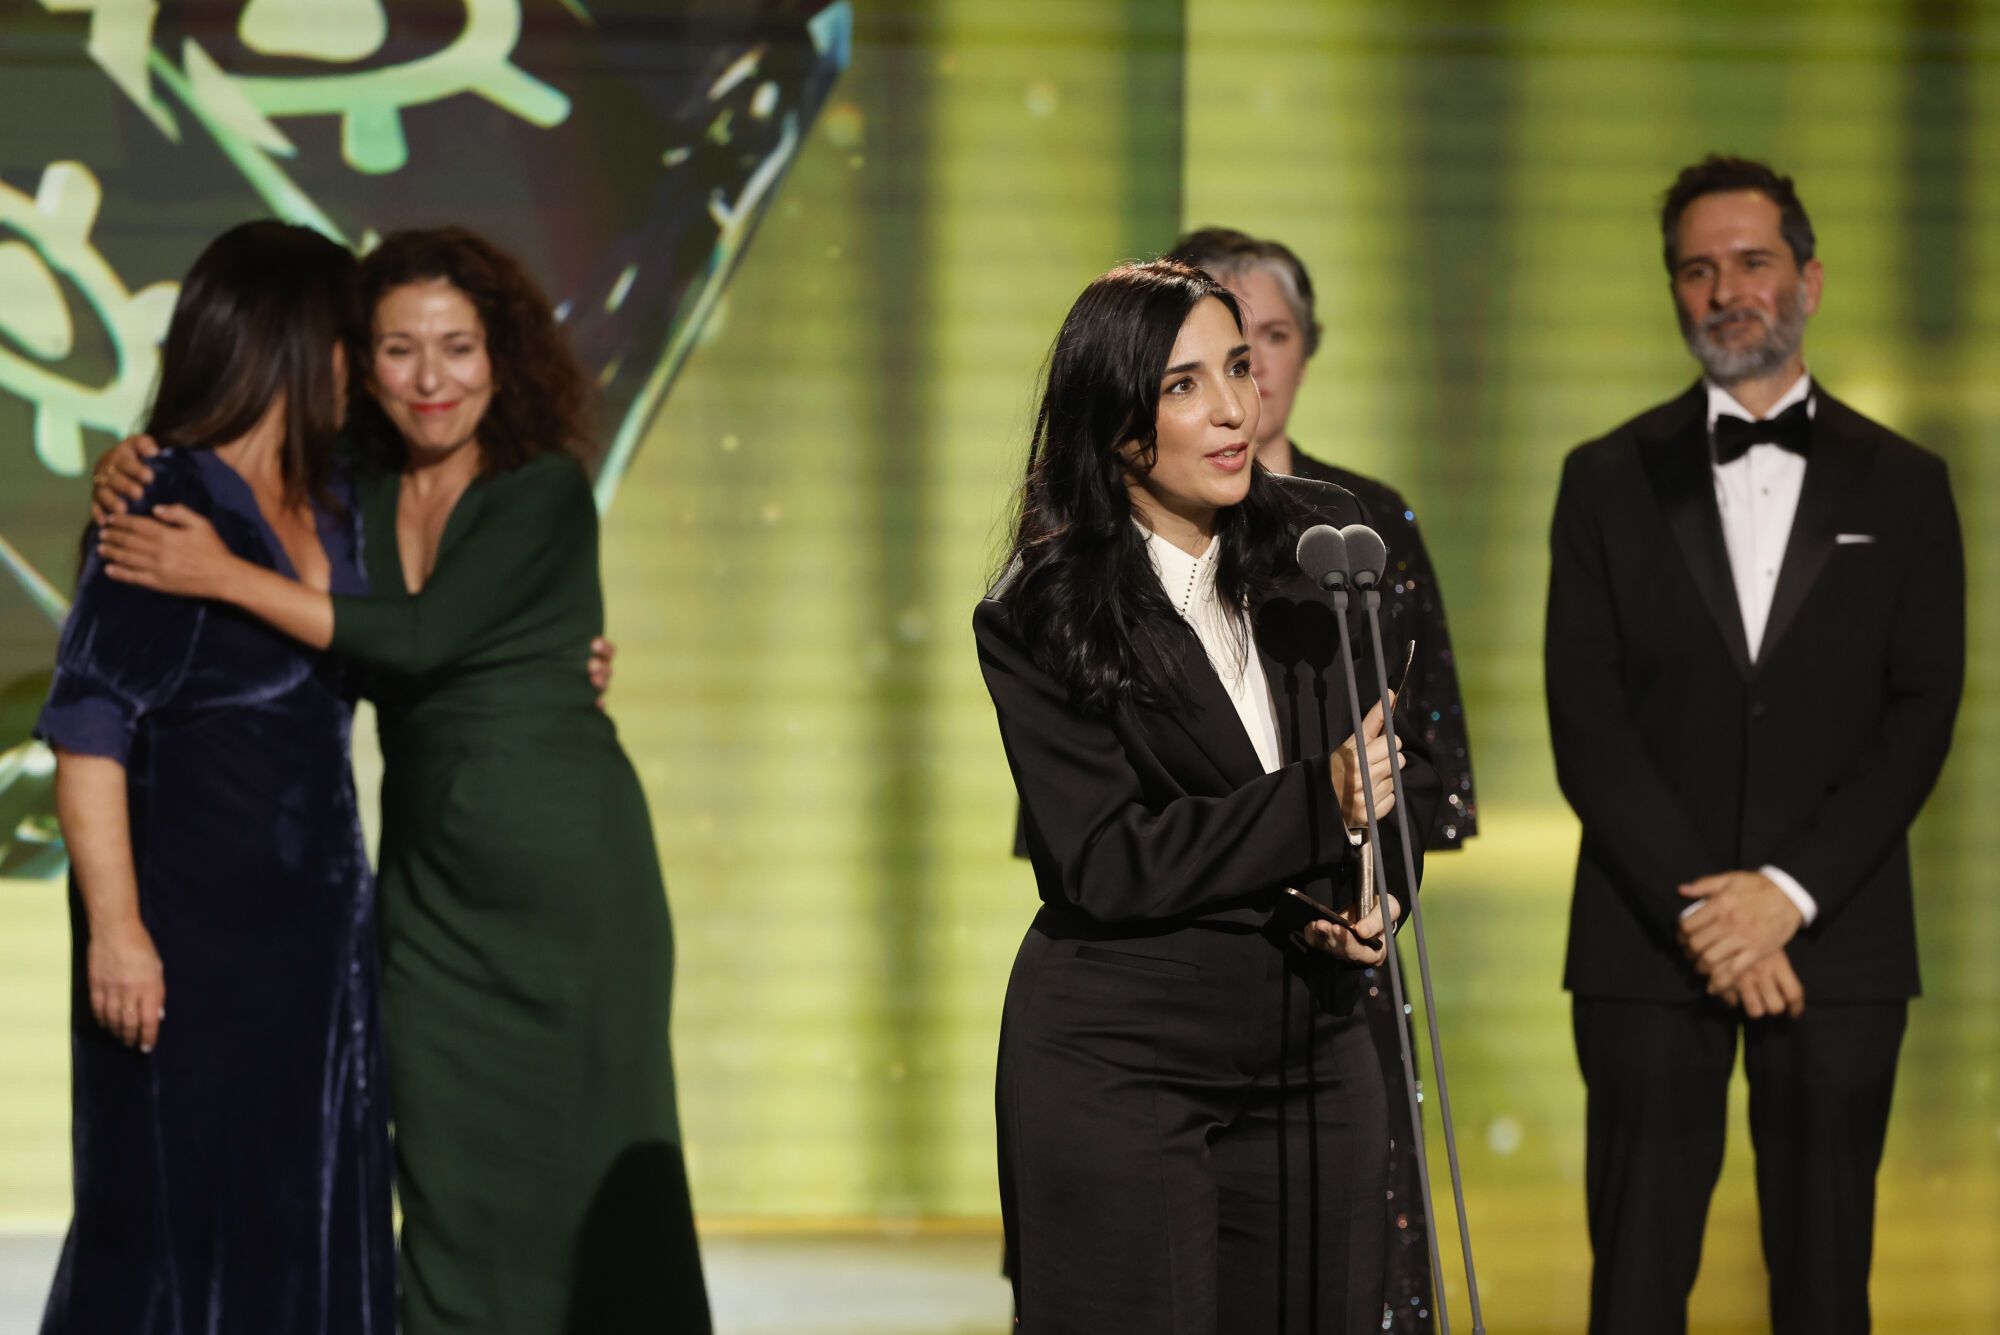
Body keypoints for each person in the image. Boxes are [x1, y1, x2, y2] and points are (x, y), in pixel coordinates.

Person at [94, 227, 710, 1335]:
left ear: (503, 356)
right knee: (444, 1174)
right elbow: (330, 615)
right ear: (353, 363)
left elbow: (419, 640)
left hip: (570, 888)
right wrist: (131, 462)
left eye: (459, 348)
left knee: (602, 1168)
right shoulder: (354, 492)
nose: (431, 380)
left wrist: (217, 574)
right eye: (398, 350)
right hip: (427, 895)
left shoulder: (543, 490)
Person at [977, 258, 1443, 1333]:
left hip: (1314, 1051)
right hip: (1120, 1057)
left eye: (1237, 366)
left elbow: (1390, 775)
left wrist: (1377, 893)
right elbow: (1105, 858)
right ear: (1116, 423)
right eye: (1184, 385)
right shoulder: (1040, 610)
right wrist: (1316, 806)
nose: (1235, 407)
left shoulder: (1324, 551)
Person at [1545, 155, 1963, 1335]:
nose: (1725, 288)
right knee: (1631, 1282)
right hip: (1644, 938)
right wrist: (1706, 915)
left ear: (1808, 279)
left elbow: (1918, 713)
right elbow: (1587, 719)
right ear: (1671, 291)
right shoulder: (1601, 479)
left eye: (1751, 261)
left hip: (1836, 940)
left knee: (1826, 1285)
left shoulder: (1911, 484)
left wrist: (1781, 895)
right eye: (1695, 267)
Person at [36, 221, 395, 1333]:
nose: (366, 370)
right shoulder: (162, 499)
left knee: (308, 1207)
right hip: (186, 943)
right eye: (352, 341)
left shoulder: (335, 498)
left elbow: (410, 632)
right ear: (299, 344)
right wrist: (118, 931)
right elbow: (89, 731)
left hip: (315, 942)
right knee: (172, 1226)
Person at [1168, 225, 1479, 1331]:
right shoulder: (1115, 551)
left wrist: (1375, 897)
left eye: (1273, 338)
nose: (1246, 374)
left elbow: (1427, 761)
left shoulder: (1367, 526)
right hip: (1177, 983)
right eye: (1214, 350)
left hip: (1347, 983)